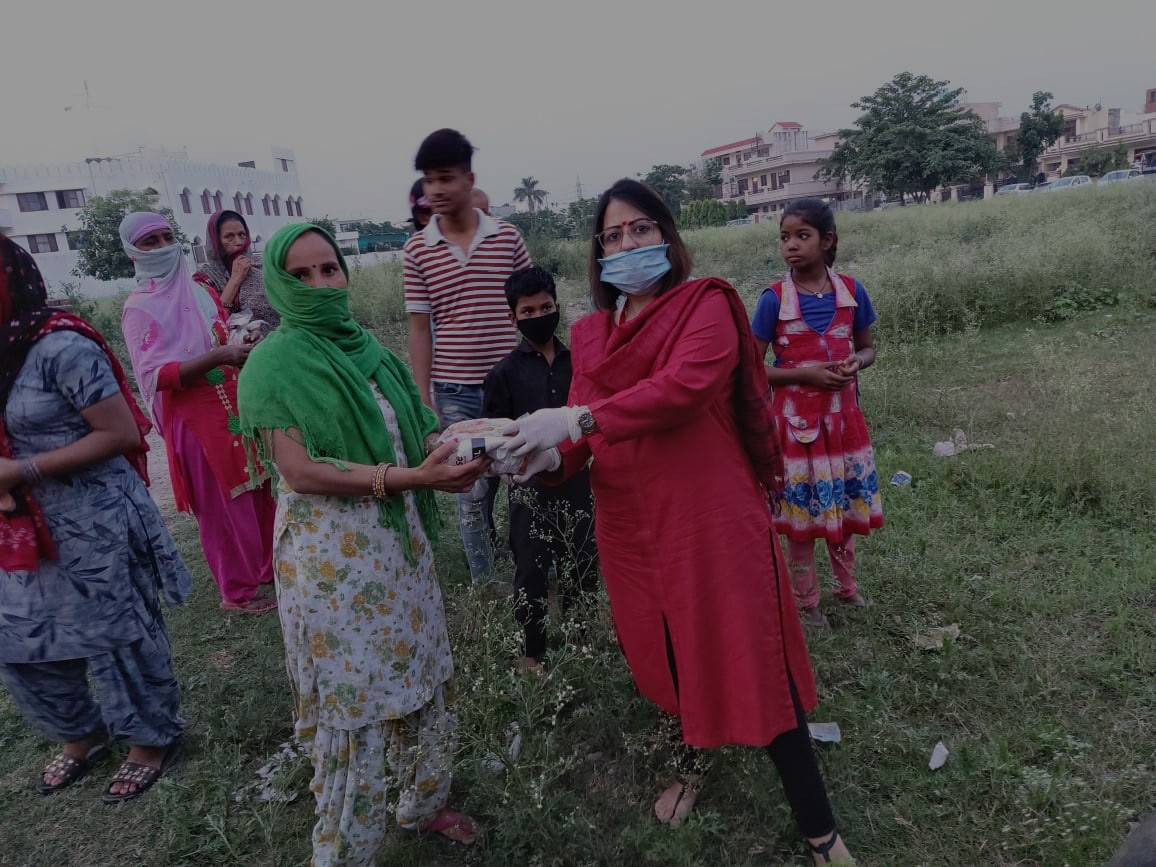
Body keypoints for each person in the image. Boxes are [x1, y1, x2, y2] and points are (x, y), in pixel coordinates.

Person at [502, 180, 856, 865]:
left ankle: (821, 830)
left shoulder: (707, 305)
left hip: (709, 517)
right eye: (613, 235)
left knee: (754, 655)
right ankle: (692, 761)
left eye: (641, 229)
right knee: (667, 652)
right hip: (632, 526)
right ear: (598, 253)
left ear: (667, 236)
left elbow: (685, 387)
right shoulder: (593, 332)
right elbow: (575, 445)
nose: (628, 244)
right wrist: (535, 455)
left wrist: (577, 418)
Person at [237, 224, 488, 865]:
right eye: (302, 274)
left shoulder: (365, 350)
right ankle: (346, 852)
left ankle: (422, 805)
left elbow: (412, 428)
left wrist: (454, 446)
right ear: (277, 283)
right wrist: (412, 477)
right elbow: (301, 470)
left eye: (330, 269)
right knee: (358, 706)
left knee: (423, 676)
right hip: (333, 564)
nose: (321, 284)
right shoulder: (271, 365)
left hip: (398, 550)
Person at [0, 235, 191, 803]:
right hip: (21, 527)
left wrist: (22, 470)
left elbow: (121, 434)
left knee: (117, 637)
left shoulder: (59, 345)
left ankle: (149, 741)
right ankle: (82, 734)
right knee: (20, 640)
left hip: (93, 516)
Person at [119, 212, 277, 614]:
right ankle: (237, 593)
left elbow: (221, 330)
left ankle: (267, 570)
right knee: (223, 505)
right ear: (133, 252)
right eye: (149, 241)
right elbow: (155, 375)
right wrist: (220, 355)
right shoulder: (140, 308)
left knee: (258, 487)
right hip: (195, 418)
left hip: (234, 405)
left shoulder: (200, 291)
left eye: (165, 236)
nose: (161, 246)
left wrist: (241, 340)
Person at [403, 128, 531, 582]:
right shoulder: (417, 250)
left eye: (445, 178)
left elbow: (530, 304)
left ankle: (533, 566)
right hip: (454, 389)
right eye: (428, 180)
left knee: (523, 477)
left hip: (511, 383)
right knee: (471, 490)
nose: (435, 190)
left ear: (468, 178)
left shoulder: (507, 237)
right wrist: (425, 398)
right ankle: (485, 580)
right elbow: (419, 329)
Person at [750, 198, 883, 629]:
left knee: (841, 510)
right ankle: (806, 603)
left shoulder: (851, 291)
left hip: (843, 425)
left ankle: (848, 587)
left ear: (827, 241)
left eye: (802, 236)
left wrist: (855, 364)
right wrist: (805, 374)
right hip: (796, 431)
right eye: (785, 237)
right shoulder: (773, 300)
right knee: (803, 519)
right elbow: (753, 369)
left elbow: (867, 348)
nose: (791, 245)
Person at [483, 267, 598, 676]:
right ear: (512, 318)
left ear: (557, 306)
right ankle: (533, 652)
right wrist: (509, 466)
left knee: (583, 562)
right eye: (528, 311)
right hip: (528, 490)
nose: (539, 316)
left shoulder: (580, 365)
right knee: (530, 567)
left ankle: (582, 641)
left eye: (546, 307)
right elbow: (492, 435)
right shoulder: (503, 374)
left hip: (577, 481)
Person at [193, 209, 280, 328]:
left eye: (241, 234)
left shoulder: (264, 266)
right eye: (229, 236)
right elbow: (212, 320)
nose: (239, 242)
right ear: (216, 241)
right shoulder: (205, 278)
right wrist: (235, 279)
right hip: (235, 344)